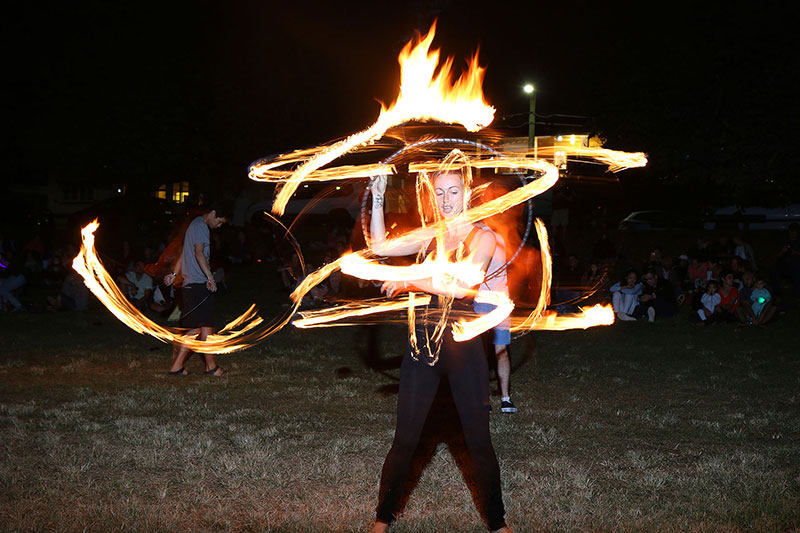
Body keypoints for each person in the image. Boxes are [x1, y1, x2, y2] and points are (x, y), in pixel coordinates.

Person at [368, 169, 511, 533]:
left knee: (478, 440)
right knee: (405, 439)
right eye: (440, 194)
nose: (446, 200)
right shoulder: (431, 235)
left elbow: (464, 287)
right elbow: (381, 247)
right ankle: (383, 517)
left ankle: (497, 522)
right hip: (423, 346)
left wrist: (408, 280)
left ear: (467, 193)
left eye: (453, 191)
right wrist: (379, 196)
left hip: (463, 349)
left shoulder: (484, 238)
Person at [165, 204, 229, 377]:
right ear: (213, 212)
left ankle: (210, 367)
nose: (219, 225)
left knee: (204, 327)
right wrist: (210, 277)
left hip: (192, 284)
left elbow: (184, 254)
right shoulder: (200, 227)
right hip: (198, 285)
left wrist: (173, 274)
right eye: (220, 221)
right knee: (198, 329)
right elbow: (199, 253)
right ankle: (181, 367)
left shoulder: (193, 225)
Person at [473, 222, 516, 414]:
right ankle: (497, 400)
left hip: (494, 300)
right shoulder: (489, 236)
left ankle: (500, 399)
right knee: (491, 352)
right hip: (487, 299)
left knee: (494, 352)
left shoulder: (486, 238)